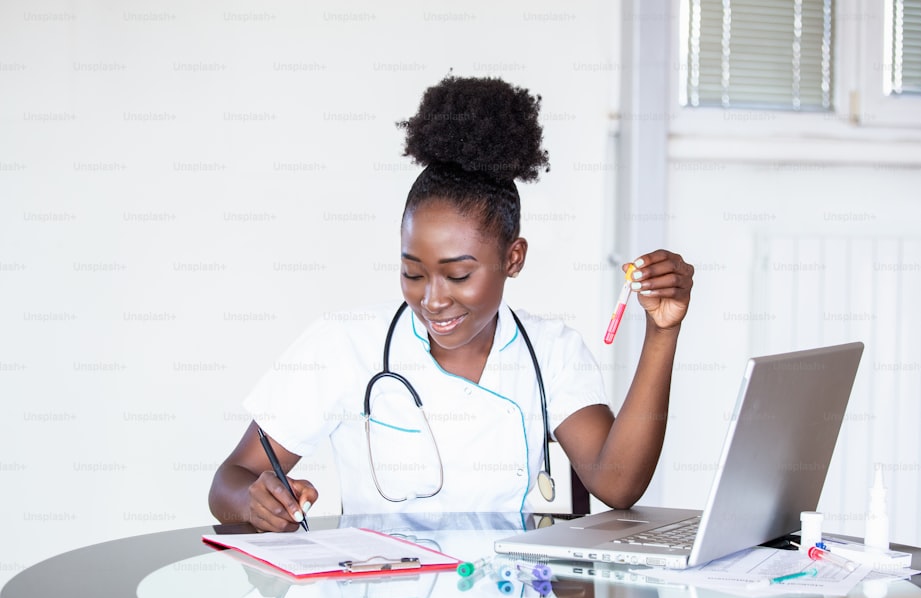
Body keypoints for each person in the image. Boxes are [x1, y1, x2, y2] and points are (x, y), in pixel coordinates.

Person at [209, 75, 694, 531]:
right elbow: (230, 479)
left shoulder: (551, 351)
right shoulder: (343, 345)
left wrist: (662, 332)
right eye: (412, 273)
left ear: (513, 258)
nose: (433, 299)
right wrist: (255, 501)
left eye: (458, 275)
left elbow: (618, 485)